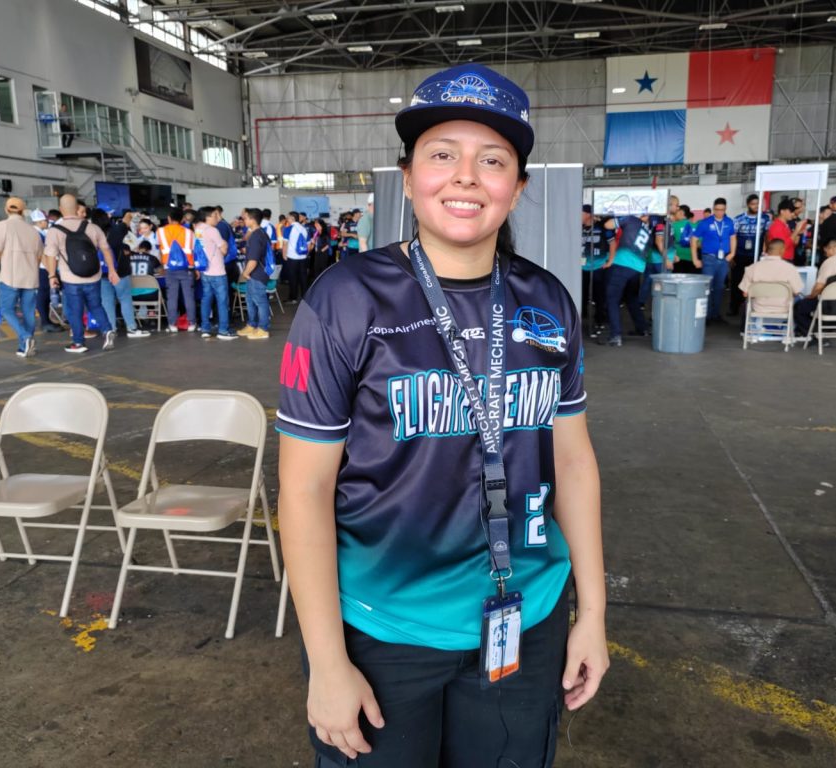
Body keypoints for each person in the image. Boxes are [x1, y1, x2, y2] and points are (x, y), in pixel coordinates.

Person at [277, 63, 607, 768]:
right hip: (384, 632)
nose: (466, 177)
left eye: (492, 160)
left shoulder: (546, 300)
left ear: (517, 186)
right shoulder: (347, 299)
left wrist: (594, 615)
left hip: (527, 622)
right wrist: (327, 663)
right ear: (407, 178)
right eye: (442, 155)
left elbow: (574, 462)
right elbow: (304, 489)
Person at [44, 194, 119, 353]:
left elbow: (50, 255)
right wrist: (112, 271)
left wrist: (52, 276)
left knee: (75, 311)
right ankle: (107, 330)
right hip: (93, 276)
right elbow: (106, 250)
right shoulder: (93, 228)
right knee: (96, 306)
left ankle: (78, 343)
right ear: (77, 208)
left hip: (71, 278)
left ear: (61, 209)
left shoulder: (54, 231)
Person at [0, 198, 44, 358]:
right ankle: (25, 347)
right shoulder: (33, 231)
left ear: (6, 210)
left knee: (6, 309)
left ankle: (25, 337)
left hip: (10, 277)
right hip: (30, 278)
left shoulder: (0, 227)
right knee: (28, 312)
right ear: (23, 211)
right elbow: (39, 256)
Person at [600, 212, 653, 346]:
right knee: (631, 298)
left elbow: (608, 225)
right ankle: (642, 329)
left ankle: (615, 336)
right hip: (638, 267)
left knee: (612, 299)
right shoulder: (648, 229)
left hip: (622, 264)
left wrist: (619, 218)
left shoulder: (631, 219)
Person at [793, 240, 836, 338]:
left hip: (831, 305)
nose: (826, 255)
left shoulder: (830, 262)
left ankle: (814, 334)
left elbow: (819, 286)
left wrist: (811, 295)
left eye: (826, 252)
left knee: (799, 307)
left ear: (832, 249)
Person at [101, 209, 150, 339]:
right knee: (125, 299)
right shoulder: (116, 230)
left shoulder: (92, 232)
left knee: (107, 302)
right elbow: (127, 218)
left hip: (102, 272)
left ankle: (111, 329)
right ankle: (131, 328)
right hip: (120, 272)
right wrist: (133, 214)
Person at [691, 198, 736, 323]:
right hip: (709, 258)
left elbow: (733, 237)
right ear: (713, 209)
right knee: (707, 287)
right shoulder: (705, 223)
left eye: (722, 210)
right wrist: (695, 259)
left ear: (725, 209)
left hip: (724, 259)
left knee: (720, 287)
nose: (719, 212)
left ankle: (716, 314)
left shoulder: (729, 222)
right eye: (717, 209)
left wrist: (732, 253)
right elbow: (693, 240)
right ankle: (706, 315)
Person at [194, 206, 236, 340]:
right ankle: (223, 330)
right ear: (207, 217)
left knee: (206, 299)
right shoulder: (212, 230)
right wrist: (224, 246)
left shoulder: (198, 229)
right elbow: (223, 249)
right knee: (222, 301)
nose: (217, 218)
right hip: (217, 270)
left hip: (205, 271)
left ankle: (205, 328)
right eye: (215, 215)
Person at [738, 238, 804, 317]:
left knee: (746, 303)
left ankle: (746, 324)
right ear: (782, 250)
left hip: (758, 308)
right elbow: (797, 292)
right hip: (784, 308)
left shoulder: (753, 268)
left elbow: (745, 294)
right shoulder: (790, 268)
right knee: (800, 299)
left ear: (767, 250)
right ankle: (792, 324)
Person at [157, 208, 197, 332]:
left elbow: (159, 249)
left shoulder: (160, 231)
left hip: (169, 268)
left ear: (169, 218)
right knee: (189, 297)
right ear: (182, 219)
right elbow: (194, 249)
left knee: (172, 297)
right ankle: (192, 323)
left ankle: (172, 324)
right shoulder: (189, 232)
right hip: (187, 268)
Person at [730, 194, 770, 316]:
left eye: (758, 204)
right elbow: (733, 238)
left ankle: (754, 308)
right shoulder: (738, 219)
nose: (756, 206)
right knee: (737, 282)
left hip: (756, 256)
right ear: (748, 204)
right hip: (740, 255)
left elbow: (767, 237)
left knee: (756, 282)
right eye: (753, 204)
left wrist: (766, 253)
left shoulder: (765, 219)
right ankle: (734, 308)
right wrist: (732, 255)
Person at [239, 208, 271, 340]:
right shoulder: (259, 233)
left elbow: (253, 260)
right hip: (255, 273)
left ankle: (263, 329)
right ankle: (252, 325)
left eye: (246, 218)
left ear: (252, 220)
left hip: (257, 274)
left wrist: (245, 273)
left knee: (260, 301)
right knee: (250, 300)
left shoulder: (257, 236)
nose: (244, 220)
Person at [283, 211, 310, 303]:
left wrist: (284, 255)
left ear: (292, 218)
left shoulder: (288, 229)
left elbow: (285, 244)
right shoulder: (303, 229)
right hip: (303, 257)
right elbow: (308, 244)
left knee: (292, 278)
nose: (287, 219)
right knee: (303, 277)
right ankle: (305, 297)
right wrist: (306, 254)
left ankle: (293, 298)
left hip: (292, 257)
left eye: (288, 217)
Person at [670, 205, 698, 273]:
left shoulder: (674, 225)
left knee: (677, 279)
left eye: (676, 212)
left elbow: (670, 242)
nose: (675, 214)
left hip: (678, 257)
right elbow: (699, 243)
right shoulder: (696, 226)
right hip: (693, 258)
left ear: (681, 213)